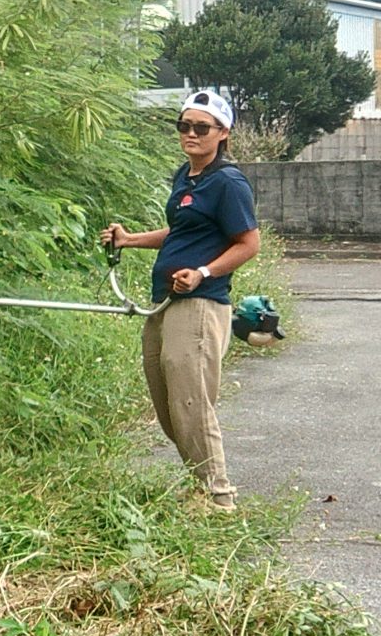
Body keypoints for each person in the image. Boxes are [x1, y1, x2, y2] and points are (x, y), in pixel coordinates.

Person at [101, 88, 261, 510]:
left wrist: (203, 272)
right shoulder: (187, 177)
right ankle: (200, 486)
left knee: (191, 402)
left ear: (223, 133)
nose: (191, 133)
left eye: (202, 128)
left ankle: (218, 498)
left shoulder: (228, 182)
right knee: (168, 403)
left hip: (200, 303)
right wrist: (130, 240)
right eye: (184, 125)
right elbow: (184, 231)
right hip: (166, 301)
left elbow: (248, 243)